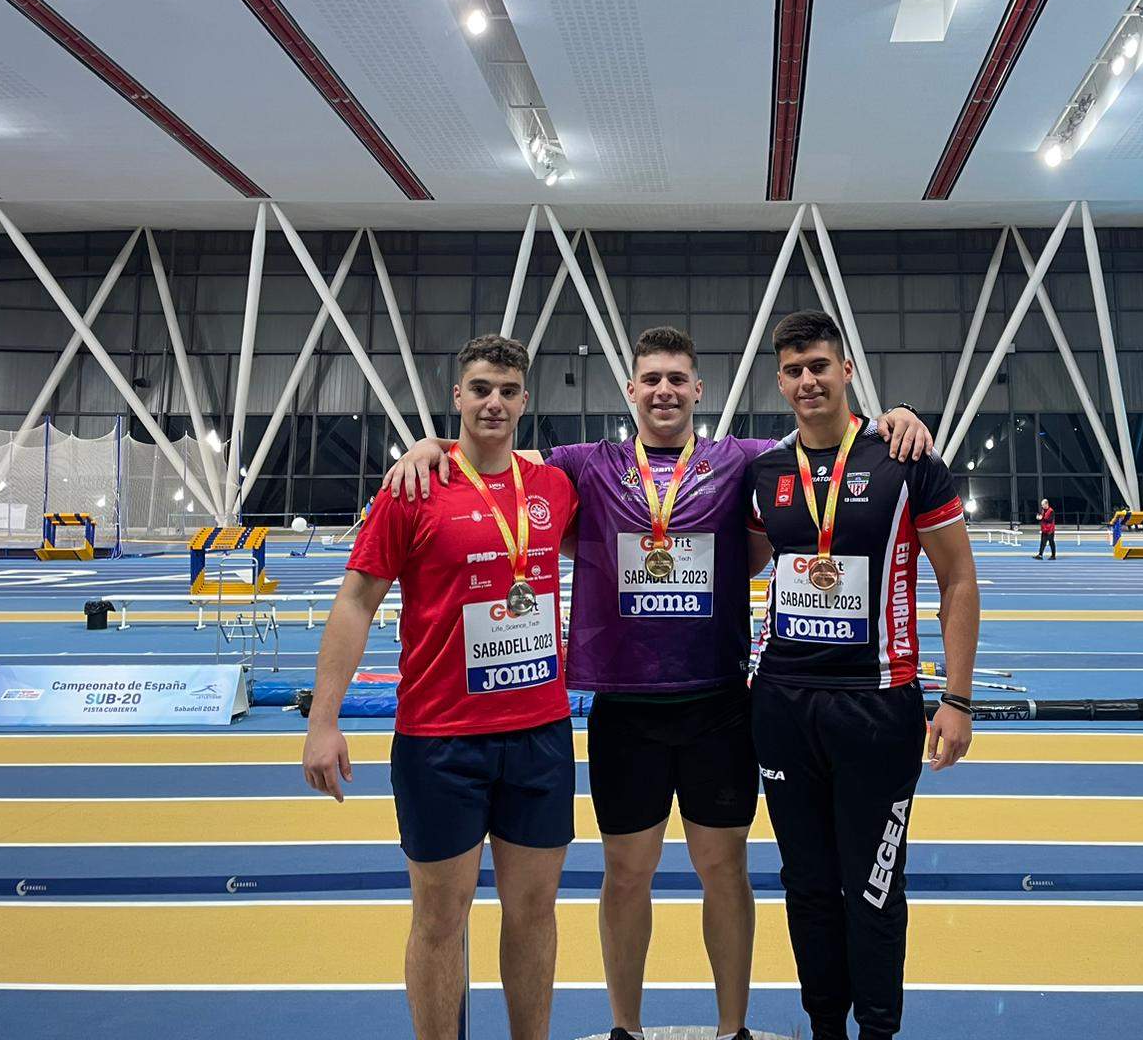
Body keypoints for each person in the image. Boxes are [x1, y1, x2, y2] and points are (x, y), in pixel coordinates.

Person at [381, 325, 934, 1040]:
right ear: (632, 391)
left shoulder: (742, 462)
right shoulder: (587, 464)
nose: (665, 391)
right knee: (626, 874)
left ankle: (732, 1028)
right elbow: (495, 456)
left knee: (724, 872)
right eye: (652, 379)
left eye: (678, 379)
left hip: (718, 705)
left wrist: (898, 418)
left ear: (698, 390)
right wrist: (433, 448)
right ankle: (626, 1029)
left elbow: (823, 451)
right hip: (625, 709)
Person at [302, 334, 580, 1040]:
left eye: (508, 390)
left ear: (525, 400)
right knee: (438, 919)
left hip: (539, 735)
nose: (494, 402)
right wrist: (322, 721)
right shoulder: (412, 487)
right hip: (439, 741)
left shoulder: (551, 487)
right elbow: (356, 600)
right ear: (456, 395)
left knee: (533, 911)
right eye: (481, 388)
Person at [745, 310, 980, 1040]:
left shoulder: (906, 460)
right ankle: (823, 1029)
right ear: (779, 381)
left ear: (846, 370)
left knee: (873, 889)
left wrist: (959, 700)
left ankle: (877, 1031)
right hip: (783, 705)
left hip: (879, 707)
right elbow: (747, 560)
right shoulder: (765, 471)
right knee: (807, 888)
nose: (807, 379)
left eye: (820, 364)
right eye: (793, 369)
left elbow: (960, 580)